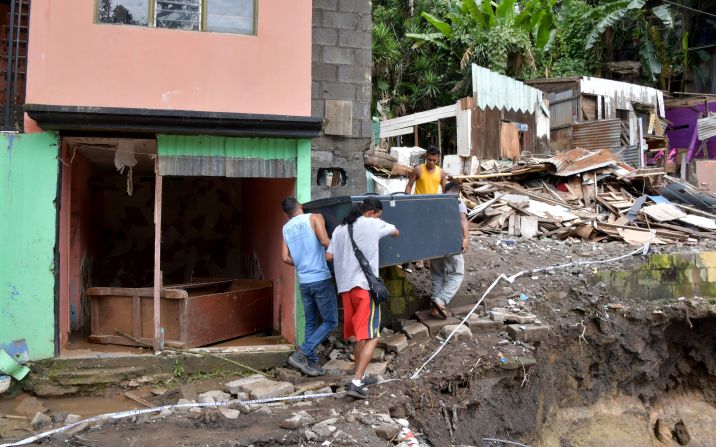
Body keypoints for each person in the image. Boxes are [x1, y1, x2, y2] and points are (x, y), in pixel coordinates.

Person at [326, 198, 399, 399]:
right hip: (364, 288)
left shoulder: (339, 230)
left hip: (345, 289)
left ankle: (361, 374)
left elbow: (329, 256)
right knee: (373, 335)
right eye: (378, 214)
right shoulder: (372, 223)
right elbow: (395, 231)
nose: (379, 218)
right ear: (371, 212)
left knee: (361, 335)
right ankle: (356, 381)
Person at [281, 197, 338, 377]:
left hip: (304, 281)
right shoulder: (314, 218)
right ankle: (302, 353)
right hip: (320, 278)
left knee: (311, 322)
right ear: (301, 206)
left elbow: (284, 257)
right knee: (331, 321)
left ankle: (312, 364)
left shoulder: (286, 228)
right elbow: (324, 241)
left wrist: (302, 263)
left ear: (287, 214)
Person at [430, 182, 468, 319]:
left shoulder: (434, 201)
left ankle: (435, 307)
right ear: (457, 191)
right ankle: (441, 300)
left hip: (433, 242)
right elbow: (463, 220)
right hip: (450, 241)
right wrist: (465, 239)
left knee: (437, 274)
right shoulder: (457, 202)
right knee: (457, 273)